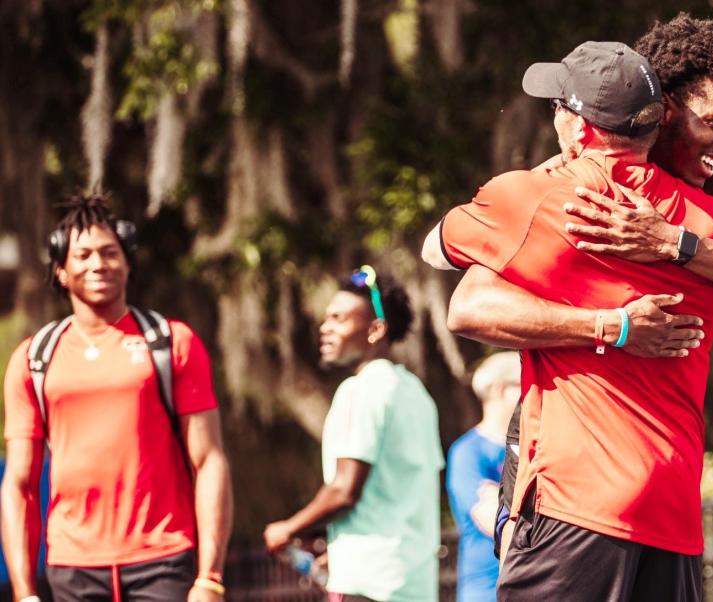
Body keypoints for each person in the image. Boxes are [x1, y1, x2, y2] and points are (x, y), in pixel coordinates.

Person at [425, 13, 713, 565]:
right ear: (666, 111)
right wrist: (614, 324)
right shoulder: (566, 184)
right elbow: (465, 297)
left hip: (645, 491)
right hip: (564, 464)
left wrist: (673, 243)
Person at [1, 193, 233, 601]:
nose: (98, 264)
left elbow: (209, 459)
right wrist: (24, 593)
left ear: (127, 263)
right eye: (84, 254)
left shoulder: (171, 342)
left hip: (163, 559)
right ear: (60, 270)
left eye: (110, 253)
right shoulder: (33, 358)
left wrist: (209, 577)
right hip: (73, 566)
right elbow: (20, 485)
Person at [263, 266, 445, 602]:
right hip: (414, 585)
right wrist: (342, 549)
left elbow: (344, 491)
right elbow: (400, 494)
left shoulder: (361, 389)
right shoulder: (416, 393)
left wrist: (287, 529)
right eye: (326, 318)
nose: (325, 328)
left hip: (368, 586)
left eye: (338, 319)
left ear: (375, 329)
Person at [446, 352, 520, 602]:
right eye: (524, 385)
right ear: (500, 390)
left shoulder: (536, 450)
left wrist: (509, 503)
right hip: (486, 593)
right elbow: (492, 522)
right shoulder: (468, 452)